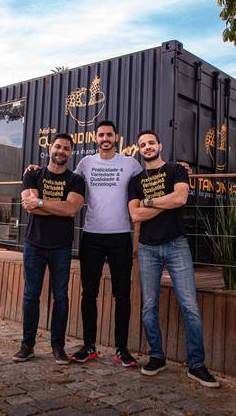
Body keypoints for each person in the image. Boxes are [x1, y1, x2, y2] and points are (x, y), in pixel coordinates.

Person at [127, 130, 219, 388]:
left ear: (160, 145)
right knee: (149, 306)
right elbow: (135, 216)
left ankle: (197, 365)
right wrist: (162, 204)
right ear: (139, 150)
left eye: (151, 142)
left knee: (189, 305)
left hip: (177, 245)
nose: (147, 147)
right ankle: (156, 357)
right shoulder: (135, 180)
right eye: (142, 144)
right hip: (147, 248)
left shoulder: (176, 170)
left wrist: (148, 202)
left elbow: (180, 198)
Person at [70, 120, 142, 367]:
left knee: (122, 294)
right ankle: (89, 346)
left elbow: (152, 180)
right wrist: (37, 172)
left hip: (121, 236)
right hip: (91, 236)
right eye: (101, 135)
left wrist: (178, 169)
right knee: (89, 293)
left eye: (109, 135)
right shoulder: (85, 163)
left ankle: (122, 349)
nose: (105, 139)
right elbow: (66, 181)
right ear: (95, 138)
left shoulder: (131, 164)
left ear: (116, 137)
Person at [12, 133, 85, 365]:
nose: (61, 151)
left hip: (61, 247)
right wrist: (56, 207)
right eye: (58, 146)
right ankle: (27, 345)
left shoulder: (76, 180)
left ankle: (58, 347)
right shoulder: (32, 174)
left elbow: (71, 209)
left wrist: (42, 202)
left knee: (60, 297)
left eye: (66, 148)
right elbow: (29, 207)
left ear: (70, 152)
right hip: (34, 244)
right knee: (30, 295)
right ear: (50, 148)